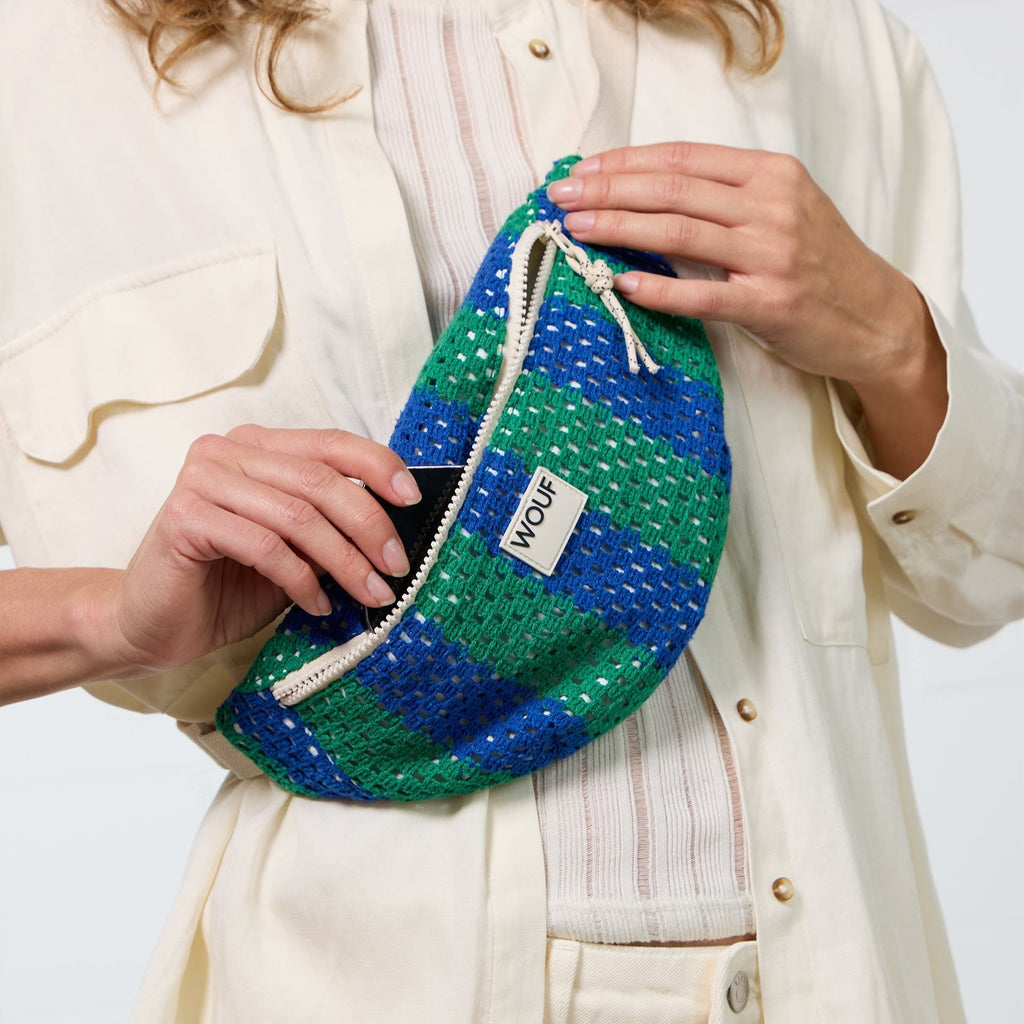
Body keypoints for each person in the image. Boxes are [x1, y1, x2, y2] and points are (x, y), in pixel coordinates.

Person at [0, 0, 1021, 1021]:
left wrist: (897, 342)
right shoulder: (41, 75)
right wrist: (104, 617)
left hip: (832, 972)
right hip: (372, 979)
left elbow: (989, 574)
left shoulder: (812, 37)